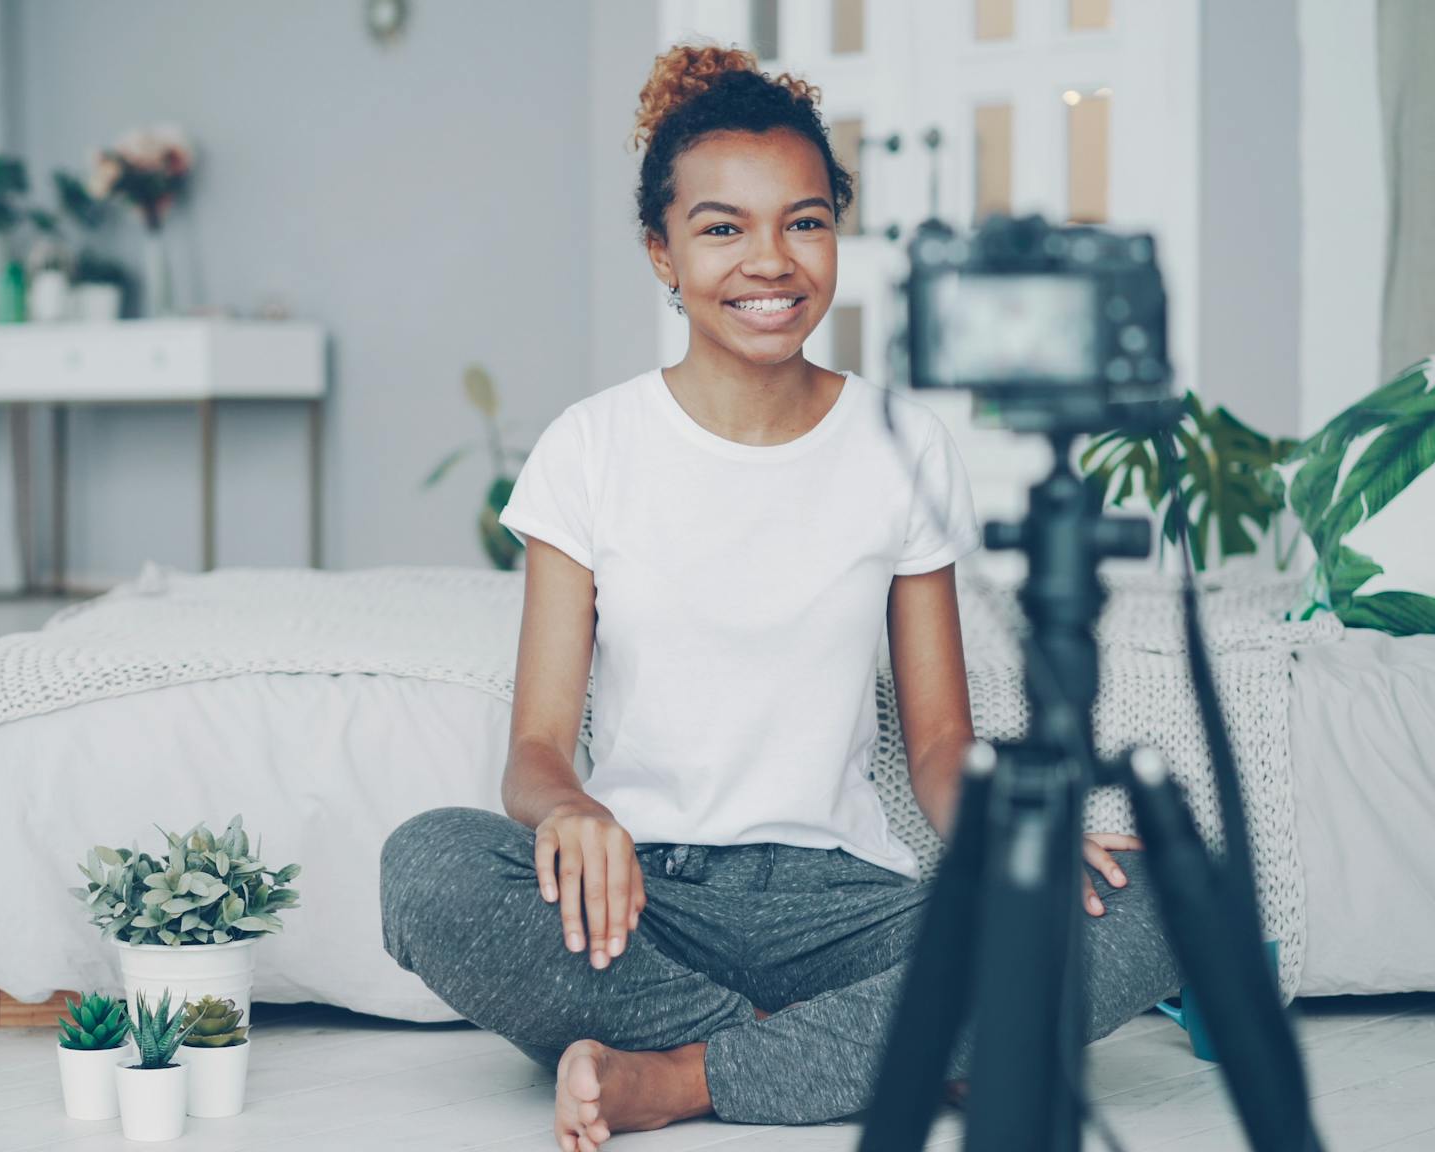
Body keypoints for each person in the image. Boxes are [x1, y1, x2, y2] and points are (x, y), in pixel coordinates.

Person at [379, 42, 1179, 1152]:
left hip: (839, 901)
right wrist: (570, 811)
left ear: (836, 236)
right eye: (722, 228)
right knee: (427, 865)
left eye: (803, 222)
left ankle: (680, 1077)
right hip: (641, 901)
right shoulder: (590, 449)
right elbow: (535, 747)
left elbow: (939, 741)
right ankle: (866, 1052)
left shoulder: (901, 446)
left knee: (1158, 898)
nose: (771, 262)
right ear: (660, 249)